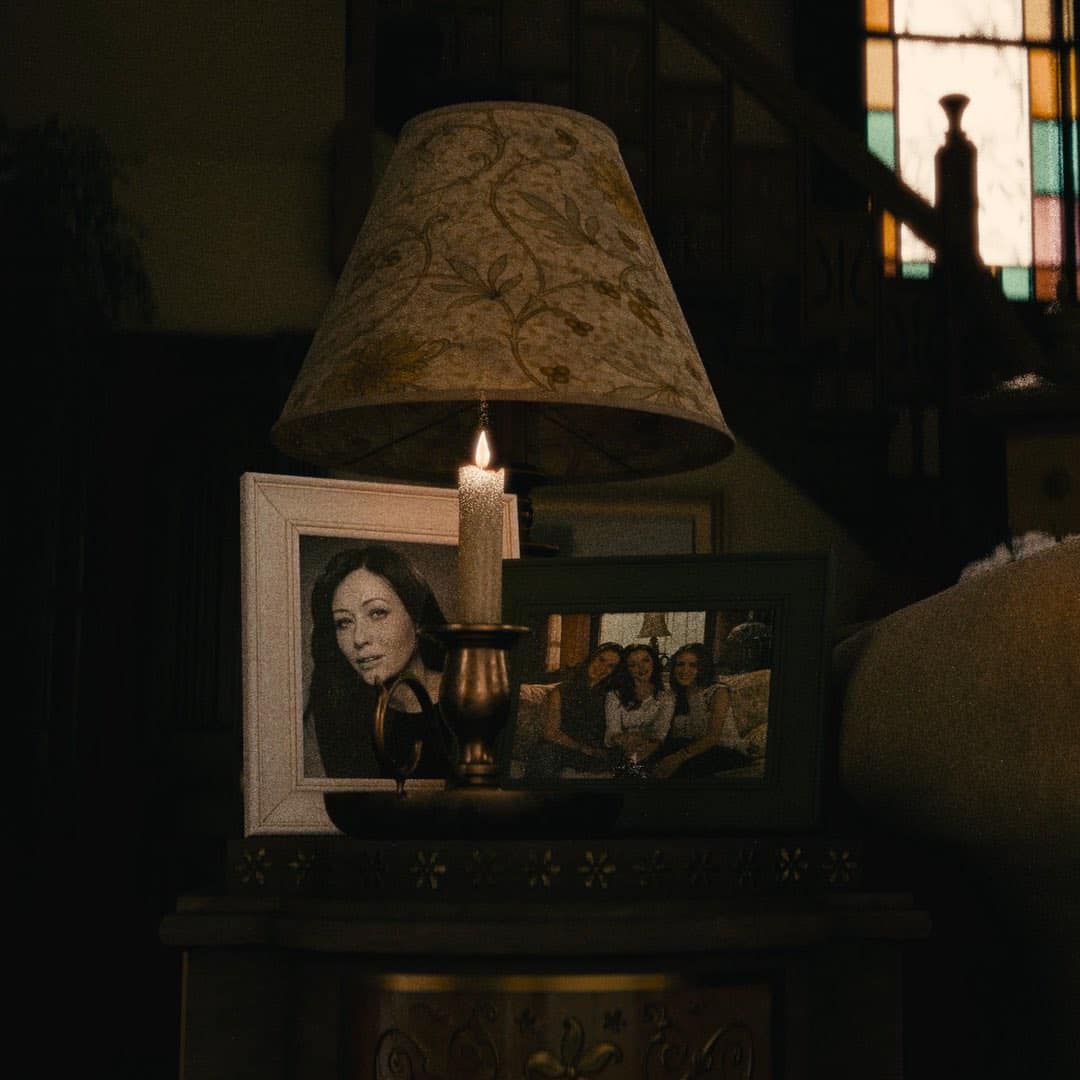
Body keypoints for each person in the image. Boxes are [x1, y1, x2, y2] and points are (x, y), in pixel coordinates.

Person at [303, 545, 449, 779]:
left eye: (377, 613)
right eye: (344, 622)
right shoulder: (340, 713)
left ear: (417, 618)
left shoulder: (472, 699)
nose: (359, 638)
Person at [648, 643, 749, 779]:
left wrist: (677, 758)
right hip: (689, 747)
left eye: (693, 665)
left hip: (723, 751)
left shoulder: (718, 692)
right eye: (680, 664)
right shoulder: (673, 695)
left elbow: (712, 737)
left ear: (703, 669)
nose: (685, 670)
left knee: (682, 766)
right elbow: (663, 732)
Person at [523, 642, 623, 779]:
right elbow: (551, 732)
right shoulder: (561, 691)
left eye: (611, 666)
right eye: (601, 660)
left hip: (594, 752)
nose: (602, 668)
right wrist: (581, 747)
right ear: (592, 658)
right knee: (545, 753)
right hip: (563, 747)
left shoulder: (611, 696)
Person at [603, 643, 674, 764]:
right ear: (627, 669)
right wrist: (629, 747)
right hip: (621, 751)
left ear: (654, 663)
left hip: (653, 752)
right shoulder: (614, 695)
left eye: (645, 660)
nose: (641, 667)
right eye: (633, 664)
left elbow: (660, 733)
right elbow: (613, 732)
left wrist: (640, 755)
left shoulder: (666, 696)